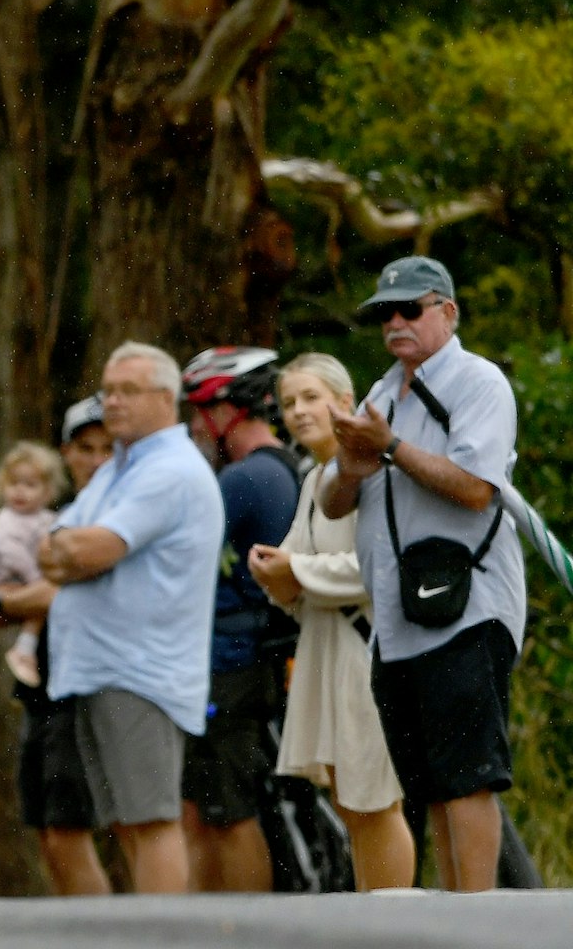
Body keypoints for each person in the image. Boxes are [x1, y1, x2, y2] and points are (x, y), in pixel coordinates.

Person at [320, 256, 526, 892]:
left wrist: (390, 449)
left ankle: (479, 918)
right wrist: (354, 463)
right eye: (386, 313)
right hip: (397, 617)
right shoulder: (380, 394)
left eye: (412, 309)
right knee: (431, 782)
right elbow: (331, 501)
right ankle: (455, 915)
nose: (396, 323)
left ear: (448, 311)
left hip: (466, 608)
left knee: (467, 774)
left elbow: (474, 488)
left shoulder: (477, 382)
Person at [38, 342, 223, 894]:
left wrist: (74, 553)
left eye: (127, 392)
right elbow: (53, 547)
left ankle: (163, 941)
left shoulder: (168, 470)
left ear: (166, 398)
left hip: (140, 673)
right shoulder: (122, 467)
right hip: (104, 669)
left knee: (151, 819)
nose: (112, 403)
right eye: (108, 390)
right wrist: (71, 552)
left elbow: (92, 550)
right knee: (125, 822)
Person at [247, 353, 413, 891]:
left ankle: (396, 921)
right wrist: (276, 574)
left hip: (364, 648)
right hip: (323, 645)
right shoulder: (315, 478)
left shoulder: (374, 471)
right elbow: (297, 565)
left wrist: (296, 569)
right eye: (290, 402)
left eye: (311, 398)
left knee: (374, 797)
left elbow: (378, 567)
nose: (298, 412)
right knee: (348, 796)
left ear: (346, 403)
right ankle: (372, 910)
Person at [0, 396, 113, 895]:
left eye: (107, 448)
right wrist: (18, 600)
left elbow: (61, 592)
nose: (95, 459)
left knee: (69, 830)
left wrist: (20, 599)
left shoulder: (113, 517)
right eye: (85, 447)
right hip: (41, 685)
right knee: (47, 832)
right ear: (67, 453)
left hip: (84, 687)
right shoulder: (49, 518)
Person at [178, 347, 301, 892]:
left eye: (198, 411)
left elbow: (178, 551)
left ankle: (241, 930)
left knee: (229, 813)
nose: (193, 427)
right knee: (207, 811)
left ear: (228, 410)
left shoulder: (244, 479)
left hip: (233, 664)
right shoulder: (280, 468)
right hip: (248, 660)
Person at [0, 441, 67, 688]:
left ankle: (26, 650)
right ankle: (24, 650)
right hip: (7, 578)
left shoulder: (47, 518)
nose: (20, 492)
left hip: (33, 578)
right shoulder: (8, 519)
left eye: (30, 485)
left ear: (47, 492)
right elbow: (9, 552)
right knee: (40, 602)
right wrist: (37, 578)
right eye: (14, 483)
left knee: (42, 605)